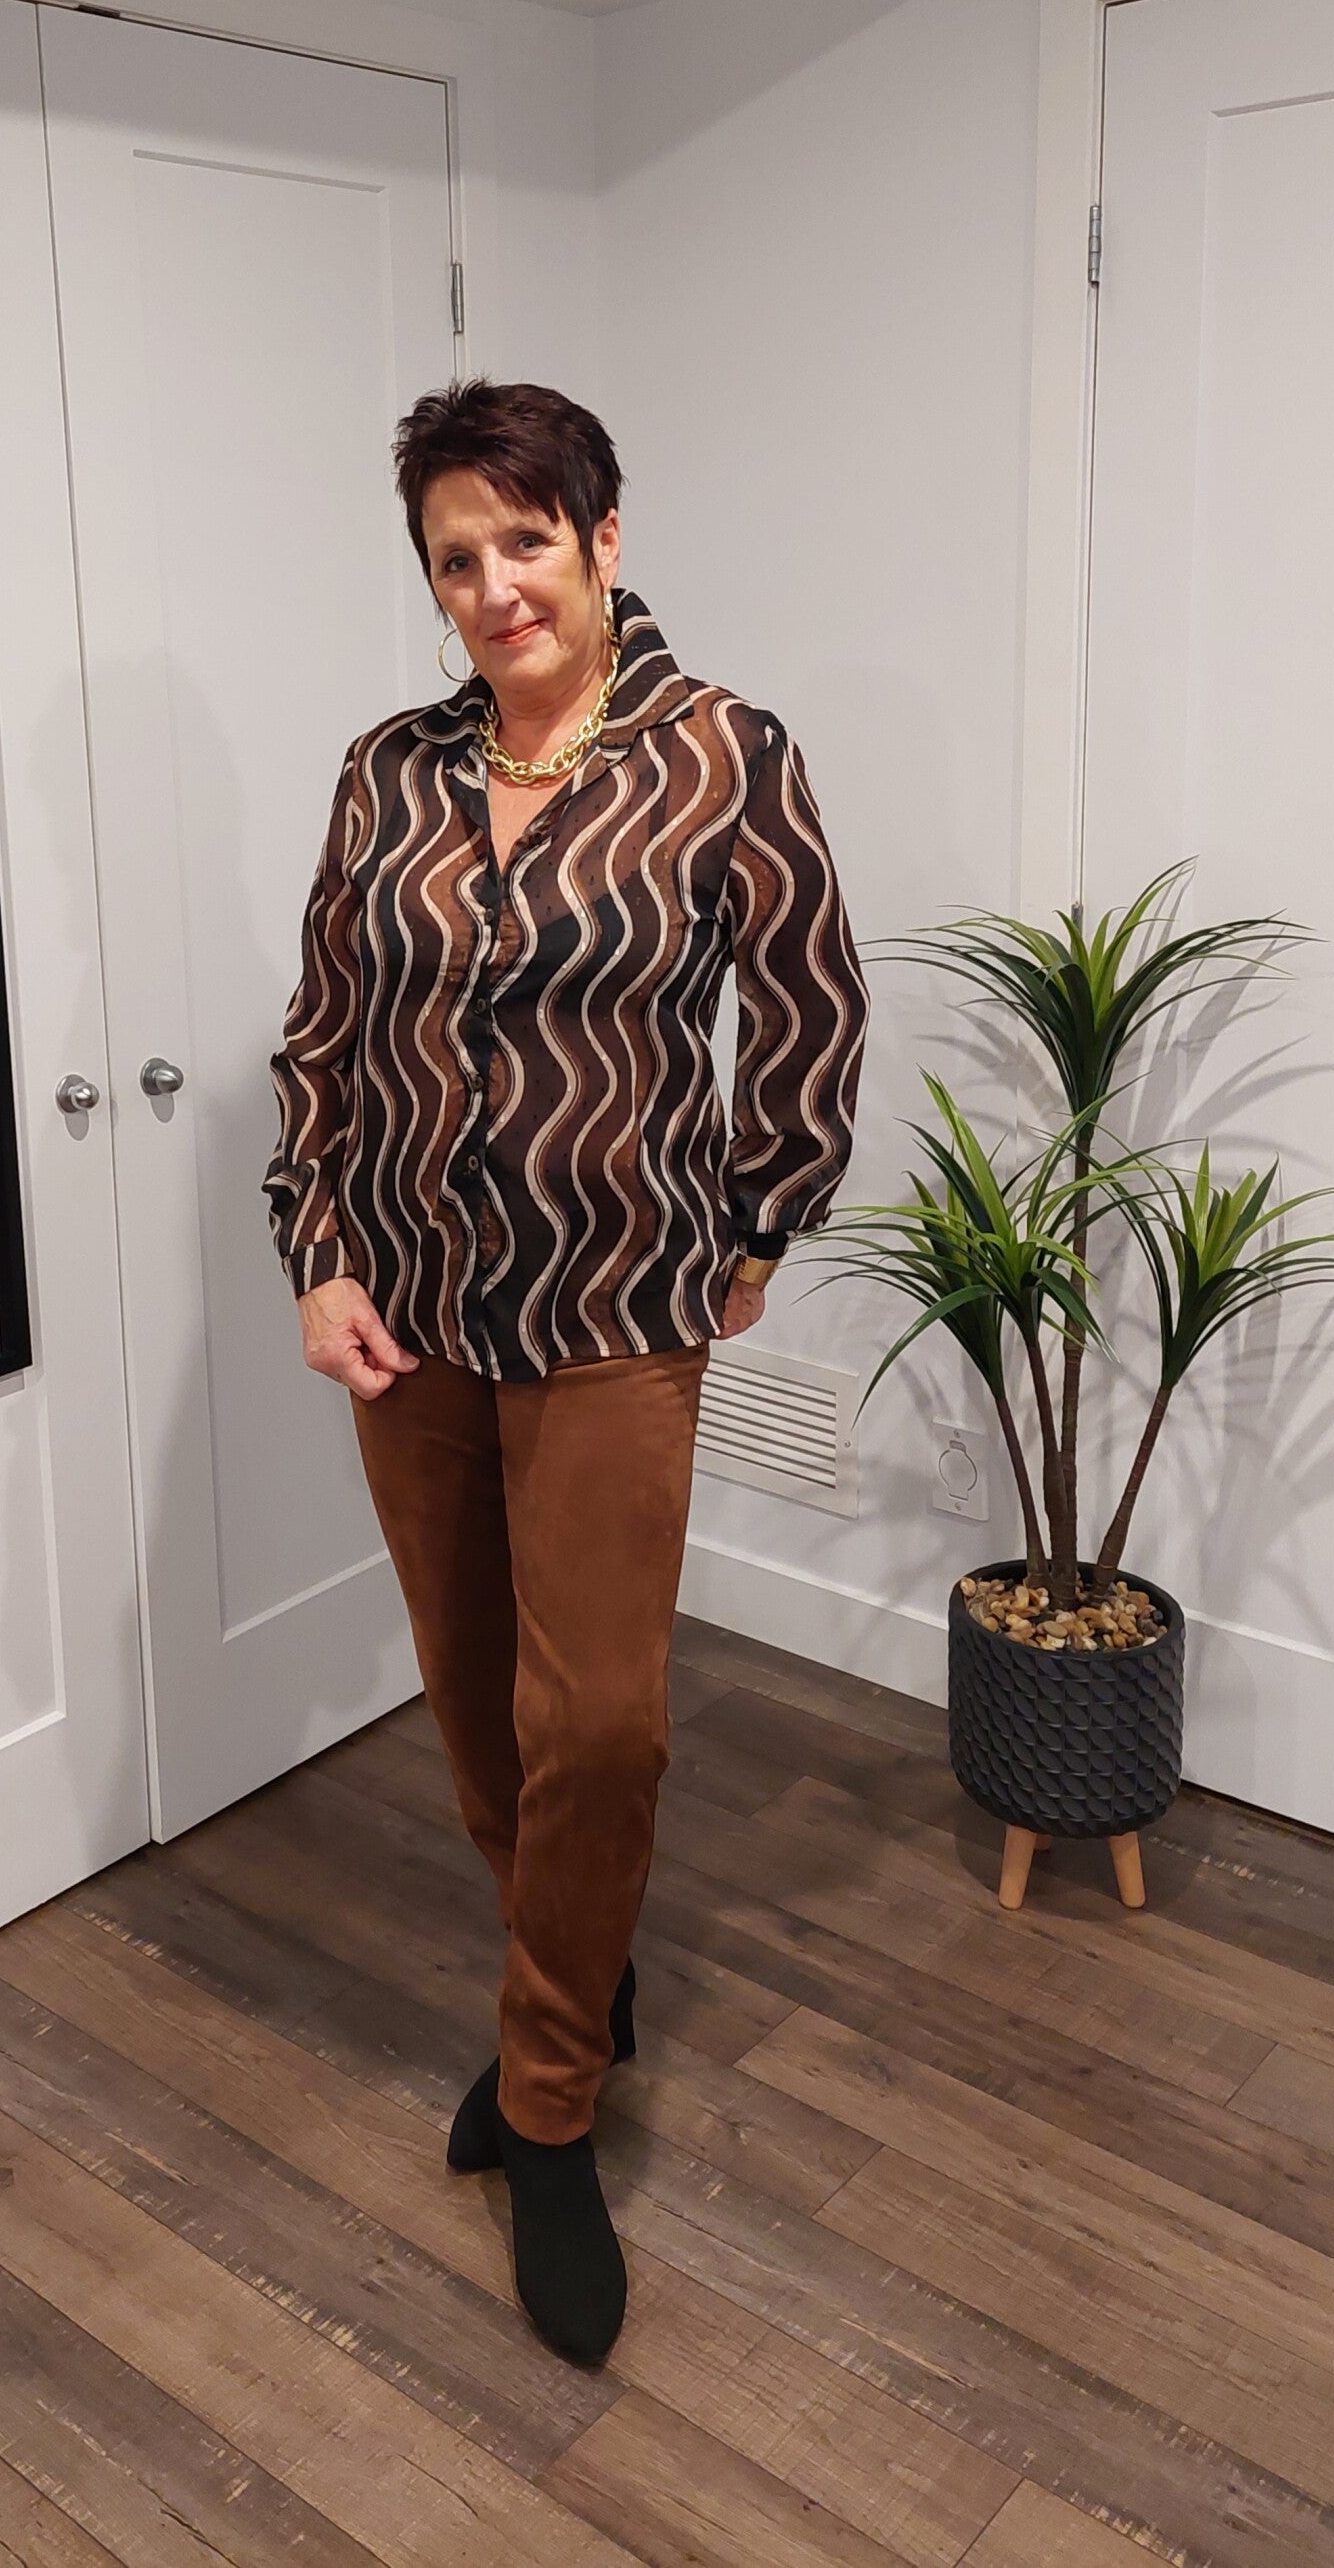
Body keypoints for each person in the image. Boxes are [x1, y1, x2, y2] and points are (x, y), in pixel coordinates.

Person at [265, 380, 868, 2363]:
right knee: (475, 1710)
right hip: (413, 1318)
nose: (495, 587)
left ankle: (545, 2113)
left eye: (525, 540)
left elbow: (808, 1010)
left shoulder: (724, 757)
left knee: (596, 1726)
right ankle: (575, 1978)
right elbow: (323, 1036)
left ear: (603, 539)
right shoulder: (389, 773)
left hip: (616, 1310)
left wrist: (756, 1227)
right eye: (457, 558)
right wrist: (317, 1253)